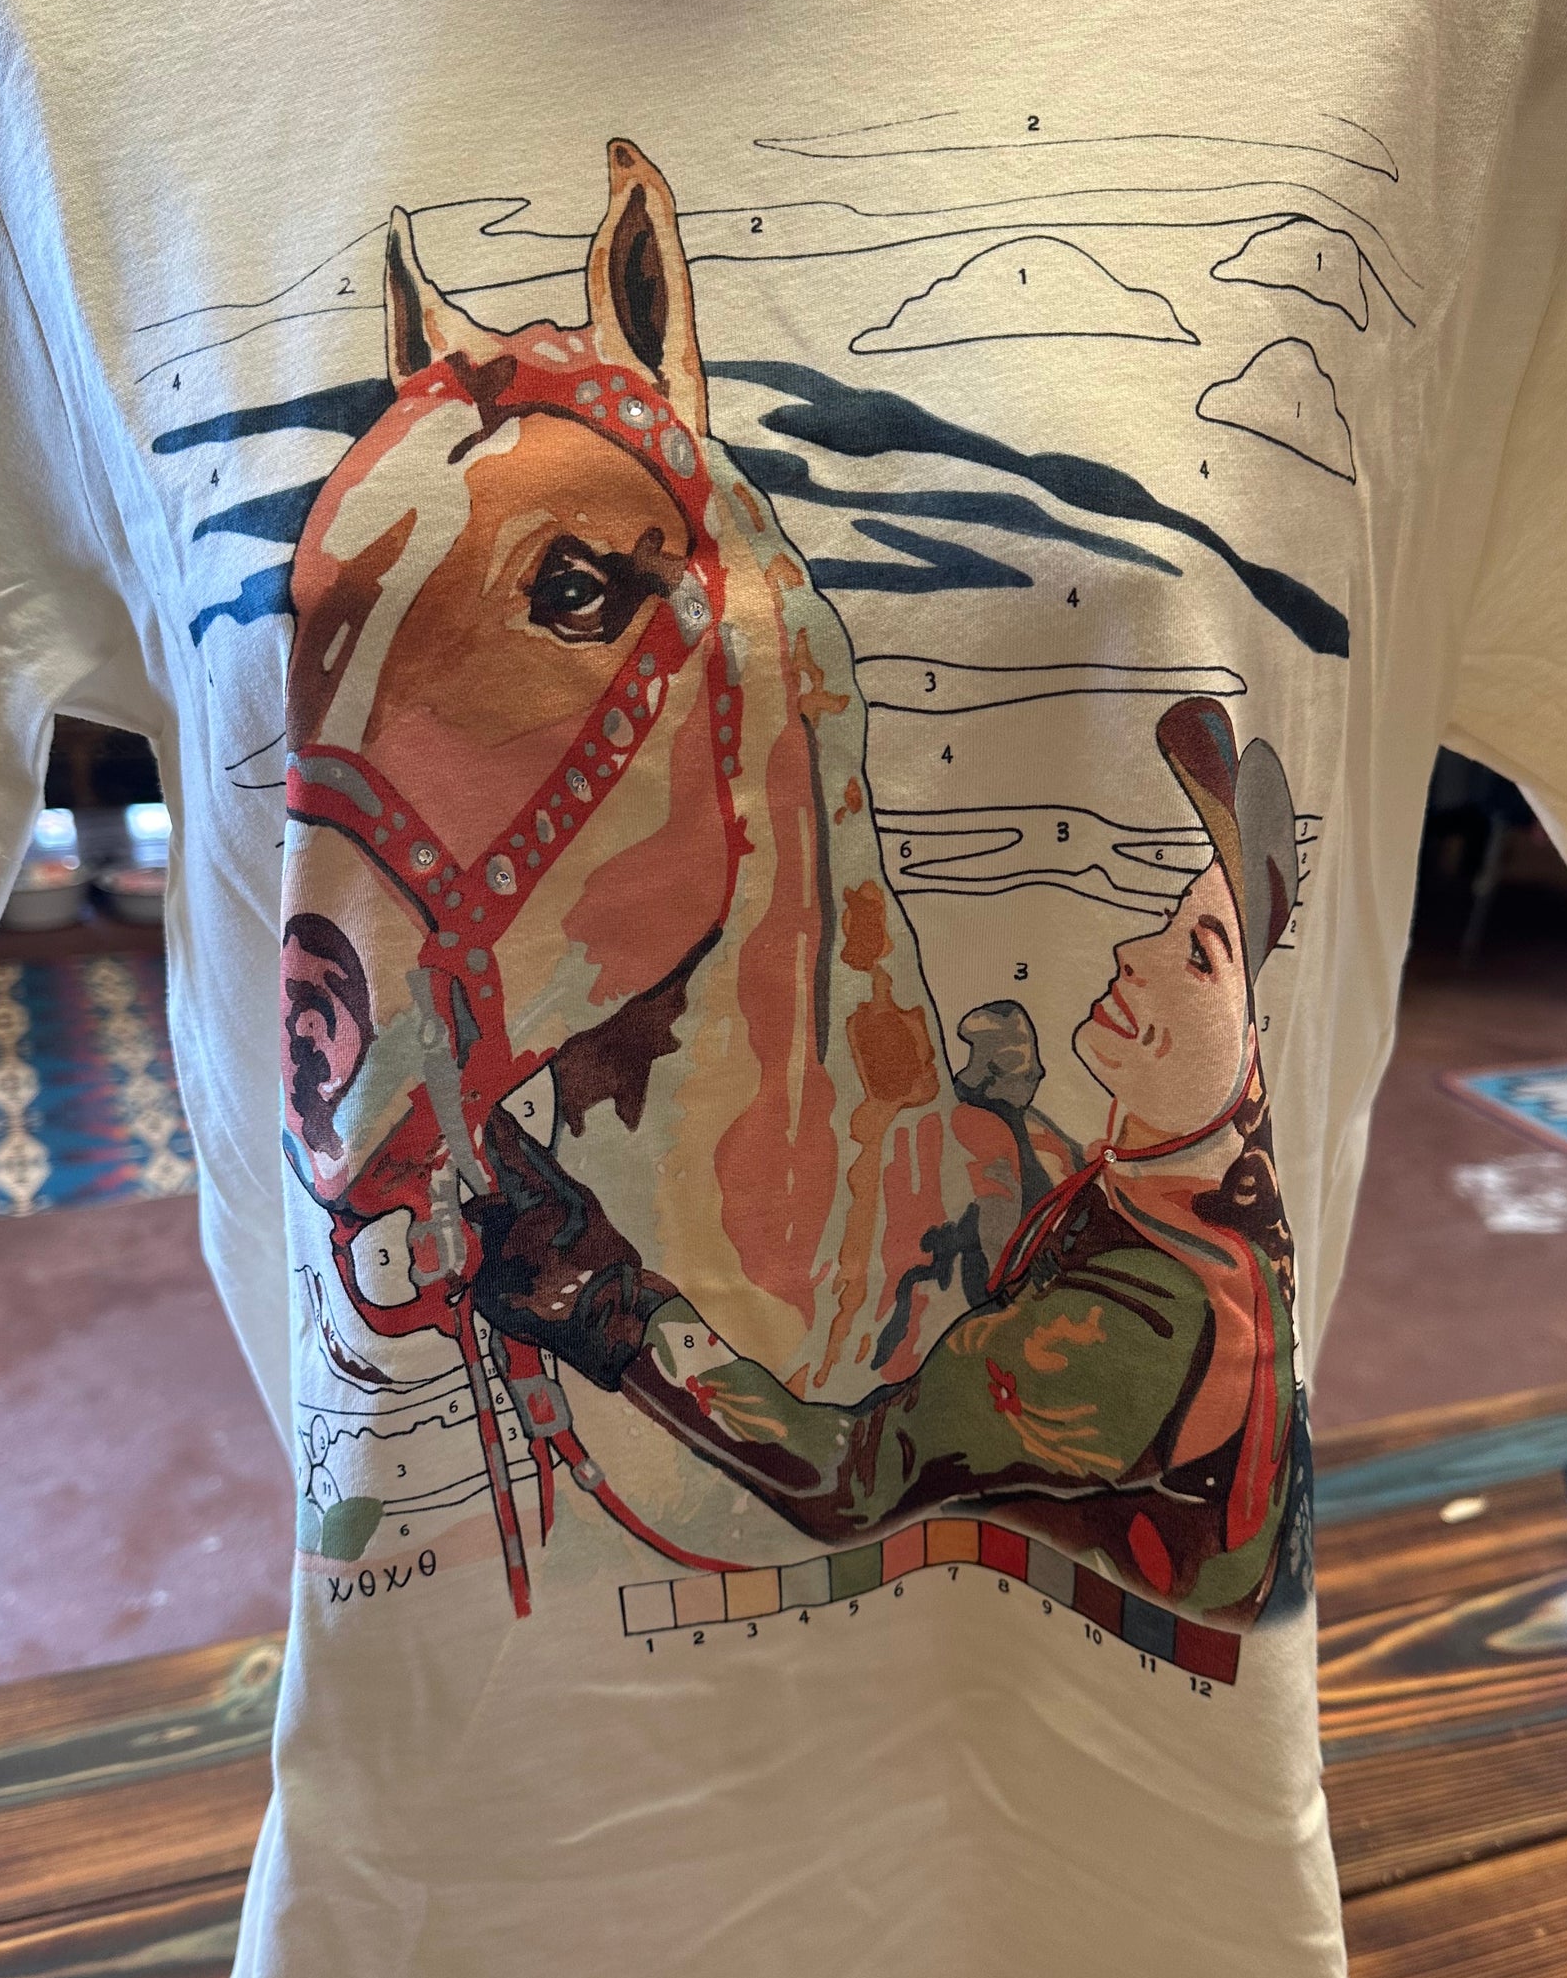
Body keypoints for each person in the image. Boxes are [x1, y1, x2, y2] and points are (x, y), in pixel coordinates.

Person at [477, 694, 1308, 1624]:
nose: (1128, 951)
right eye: (1164, 921)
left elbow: (848, 1479)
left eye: (1198, 957)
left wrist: (602, 1299)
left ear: (1245, 1044)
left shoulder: (1140, 1319)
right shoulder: (1165, 1199)